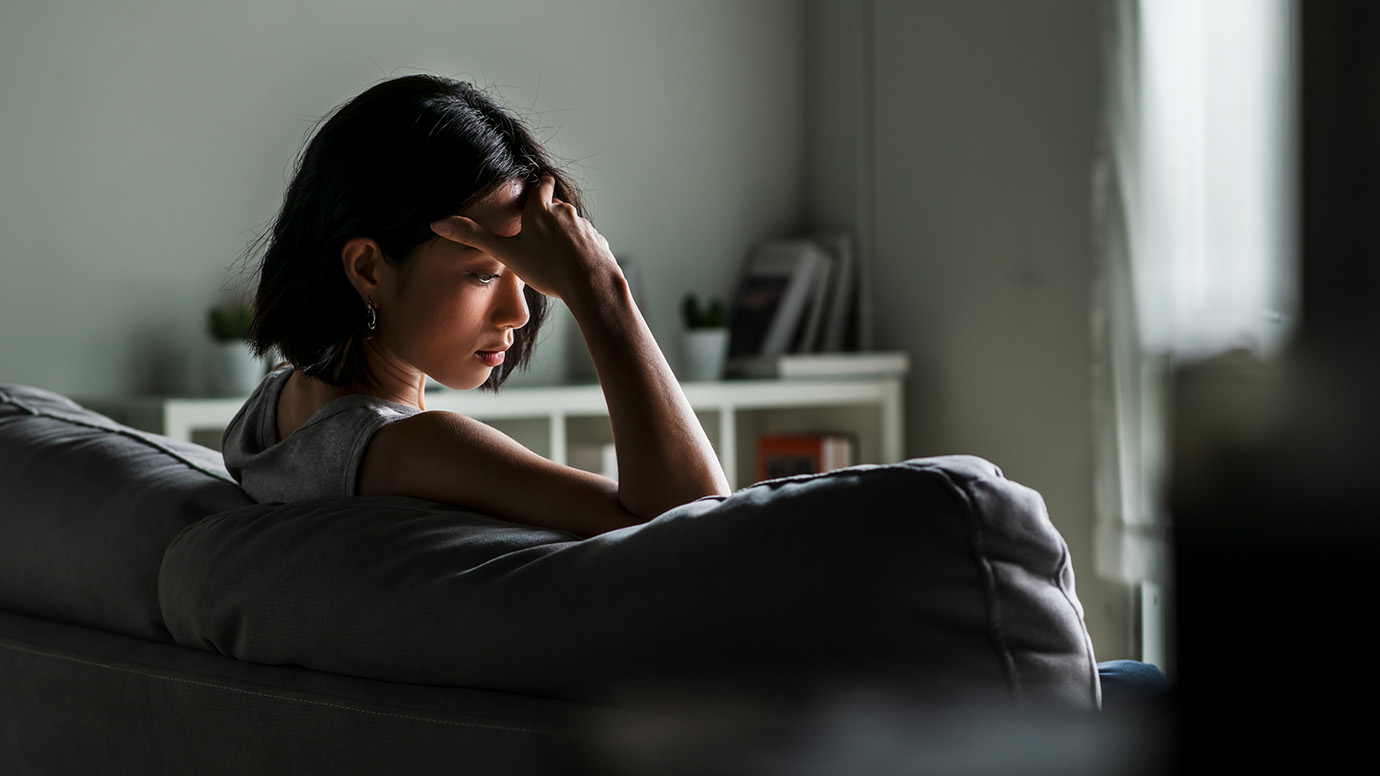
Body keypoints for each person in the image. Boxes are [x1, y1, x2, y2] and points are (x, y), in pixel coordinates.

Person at [223, 74, 730, 537]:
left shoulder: (271, 408)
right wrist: (600, 287)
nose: (520, 313)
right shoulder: (414, 446)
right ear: (368, 268)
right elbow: (701, 525)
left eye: (526, 276)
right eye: (485, 274)